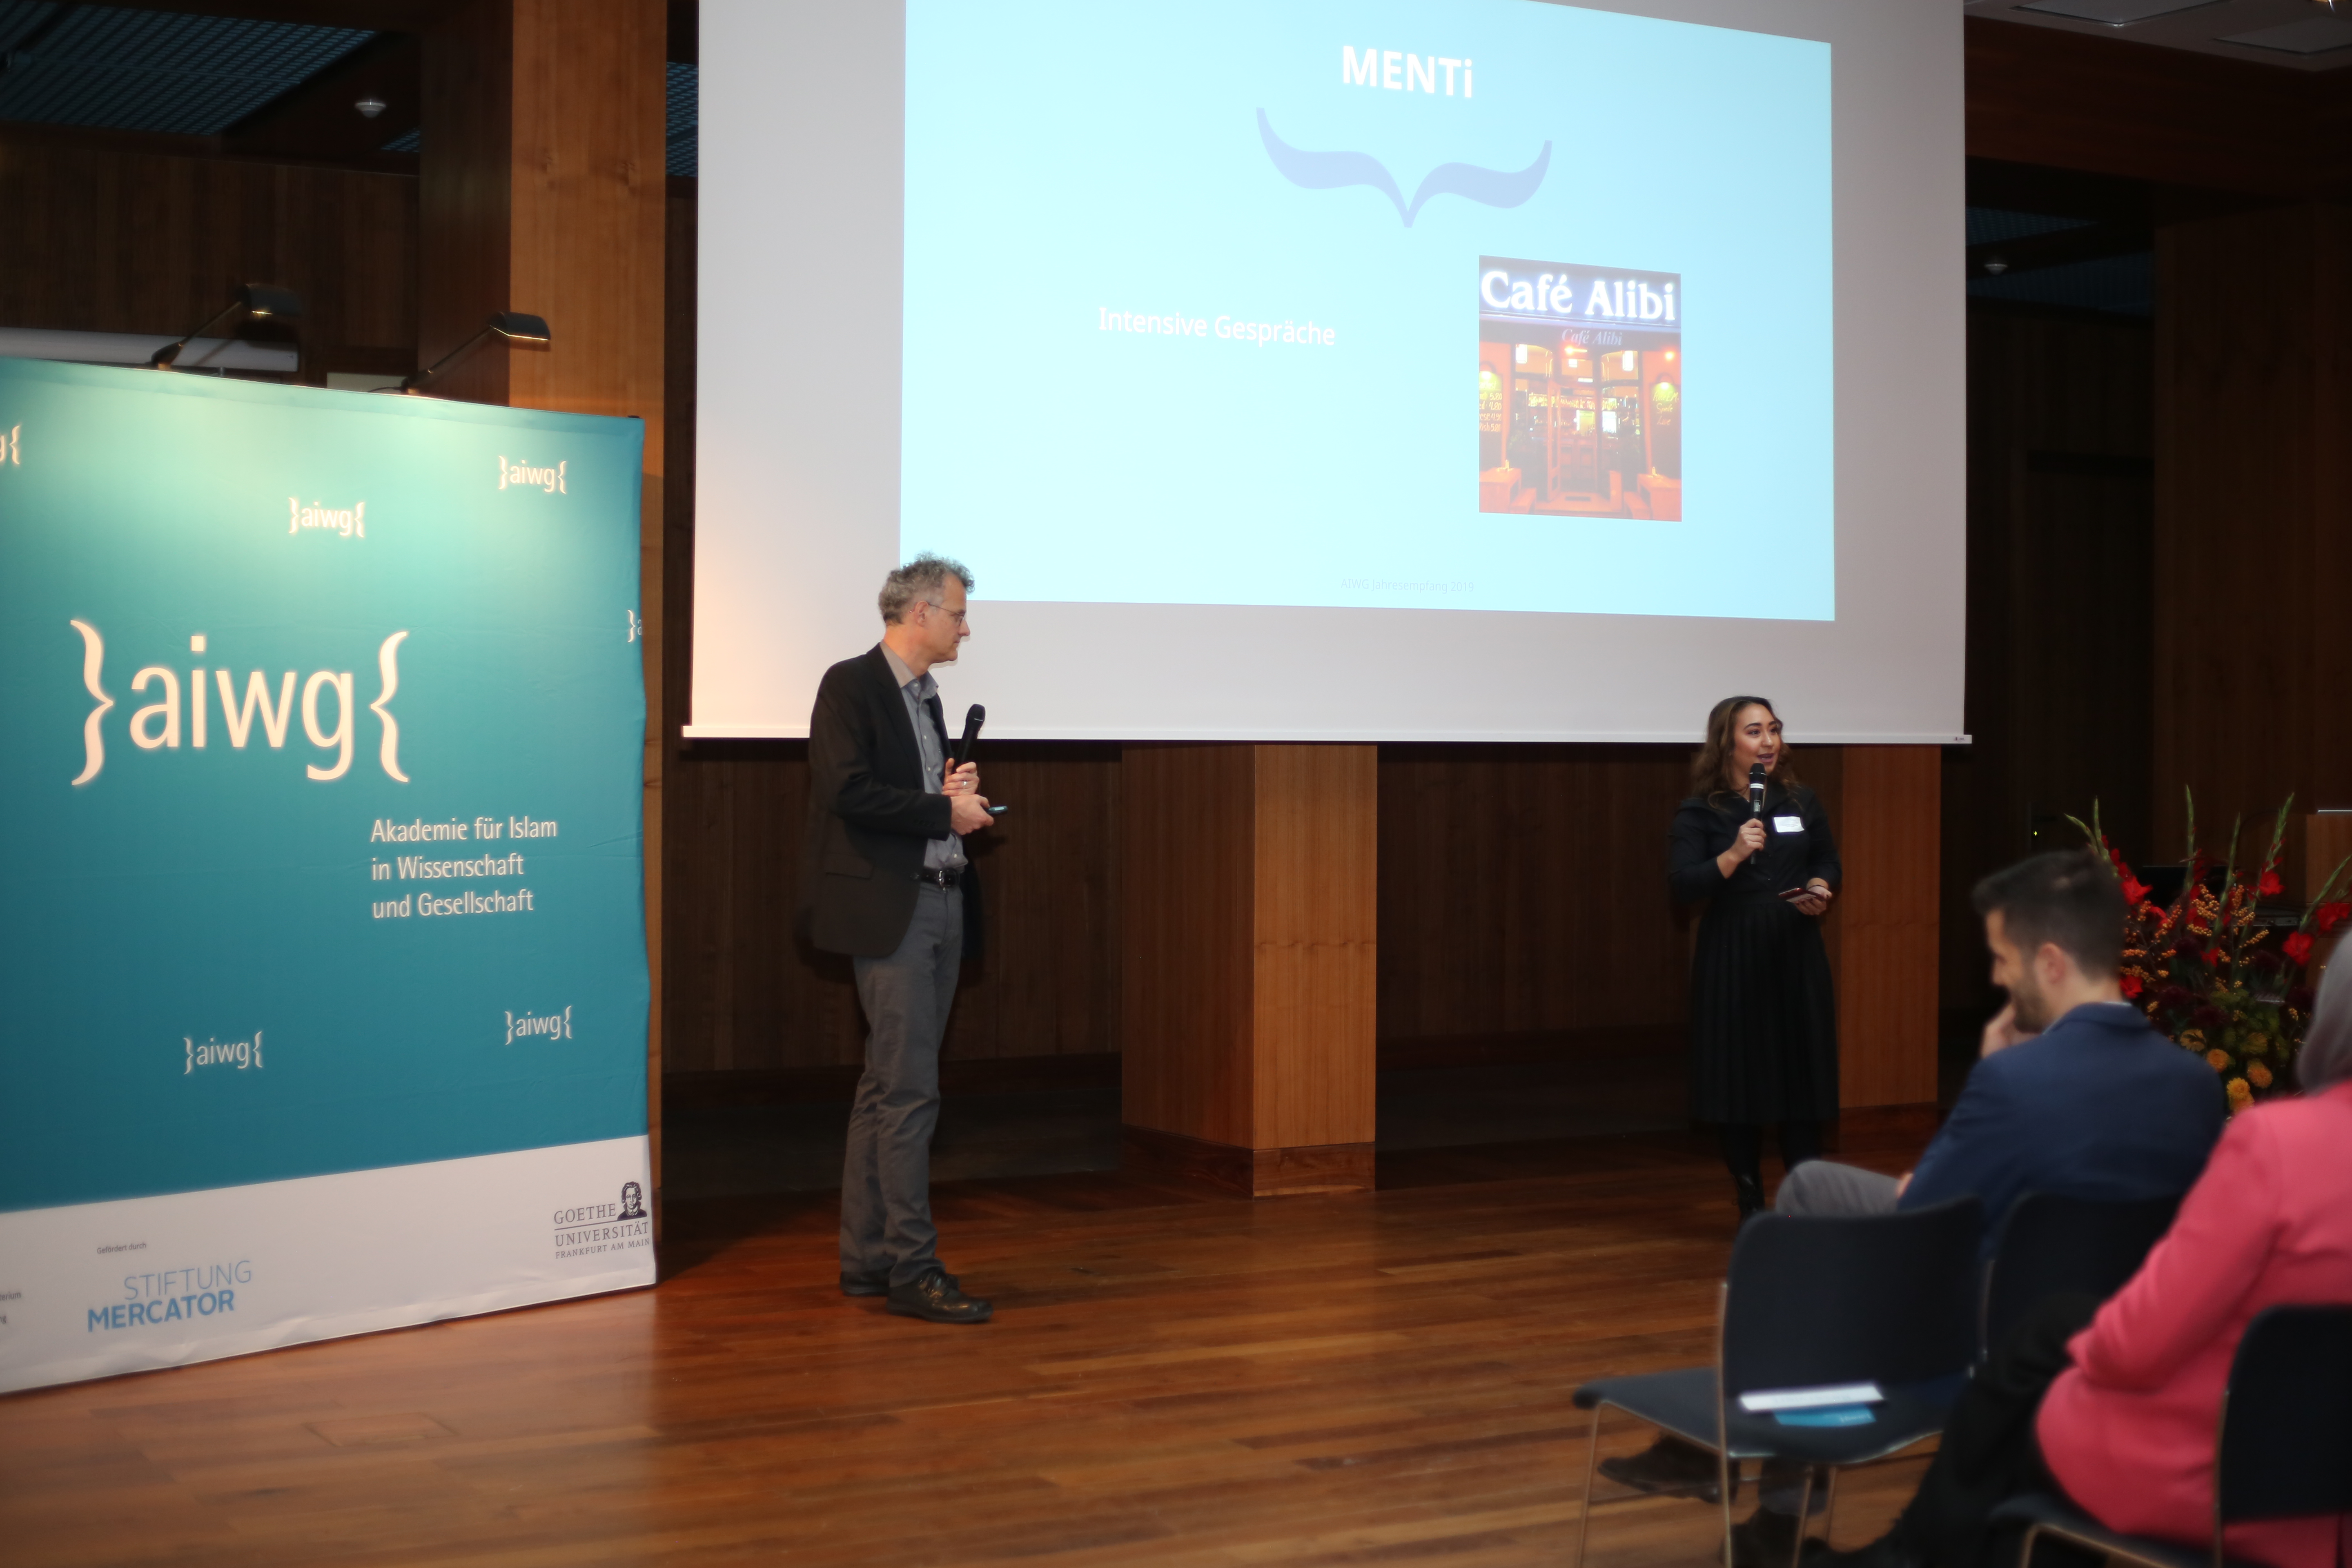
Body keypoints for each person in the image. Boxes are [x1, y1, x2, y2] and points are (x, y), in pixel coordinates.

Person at [1814, 951, 2352, 1568]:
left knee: (2033, 1388)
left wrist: (2083, 1356)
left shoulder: (2276, 1144)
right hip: (2323, 1500)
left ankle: (1909, 1554)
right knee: (2050, 1336)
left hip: (2215, 1477)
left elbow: (2136, 1348)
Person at [1775, 849, 2225, 1246]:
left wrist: (1989, 1070)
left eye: (2004, 958)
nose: (1997, 977)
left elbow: (1921, 1213)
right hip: (2129, 1294)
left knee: (1808, 1184)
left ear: (2050, 964)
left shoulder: (2013, 1079)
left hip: (2003, 1294)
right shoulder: (2198, 1082)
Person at [801, 554, 996, 1325]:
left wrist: (950, 796)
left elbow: (907, 798)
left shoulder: (928, 699)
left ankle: (868, 1261)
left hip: (942, 899)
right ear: (920, 613)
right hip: (894, 910)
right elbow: (846, 790)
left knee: (886, 1088)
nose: (965, 629)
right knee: (910, 1091)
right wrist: (941, 812)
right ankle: (914, 1269)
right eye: (958, 614)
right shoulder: (850, 685)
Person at [1667, 695, 1840, 1222]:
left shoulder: (1800, 801)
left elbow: (1826, 857)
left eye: (1774, 729)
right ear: (1727, 743)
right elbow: (1682, 885)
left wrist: (1820, 885)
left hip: (1794, 945)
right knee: (1738, 1078)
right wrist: (1733, 854)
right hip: (1734, 951)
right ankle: (1750, 1204)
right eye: (1754, 731)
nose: (1768, 742)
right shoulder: (1701, 811)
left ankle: (1806, 1204)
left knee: (1800, 1075)